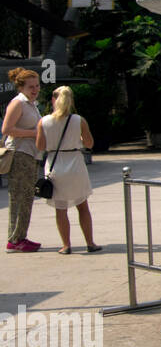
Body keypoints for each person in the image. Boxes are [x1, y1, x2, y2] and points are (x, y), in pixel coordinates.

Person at [34, 86, 99, 254]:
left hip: (55, 164)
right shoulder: (79, 120)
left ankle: (66, 245)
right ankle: (90, 243)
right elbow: (90, 143)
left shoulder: (44, 121)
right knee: (82, 206)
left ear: (53, 100)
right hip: (75, 163)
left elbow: (40, 146)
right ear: (71, 101)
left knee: (60, 209)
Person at [3, 68, 43, 251]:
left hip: (31, 154)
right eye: (30, 87)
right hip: (20, 154)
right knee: (19, 197)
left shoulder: (31, 104)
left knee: (27, 197)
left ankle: (20, 236)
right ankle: (15, 239)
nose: (35, 90)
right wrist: (33, 133)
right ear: (21, 87)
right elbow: (7, 129)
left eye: (37, 86)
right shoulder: (18, 103)